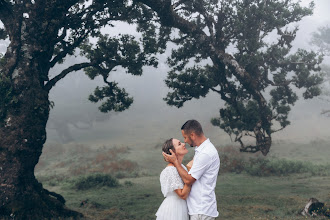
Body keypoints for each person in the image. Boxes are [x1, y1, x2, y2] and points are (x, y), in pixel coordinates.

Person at [163, 120, 220, 220]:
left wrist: (175, 162)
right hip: (198, 208)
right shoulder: (201, 150)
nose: (185, 141)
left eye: (185, 137)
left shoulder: (205, 153)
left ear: (192, 135)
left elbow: (189, 180)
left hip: (201, 210)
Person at [155, 138, 192, 220]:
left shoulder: (181, 167)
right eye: (179, 144)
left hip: (183, 207)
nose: (183, 144)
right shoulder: (170, 170)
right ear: (173, 152)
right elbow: (182, 194)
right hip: (174, 210)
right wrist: (190, 176)